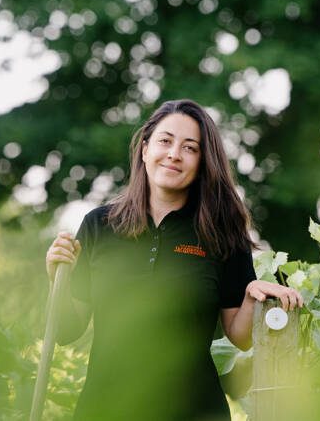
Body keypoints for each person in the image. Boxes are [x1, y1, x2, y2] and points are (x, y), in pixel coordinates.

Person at [45, 99, 303, 421]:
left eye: (190, 148)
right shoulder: (100, 225)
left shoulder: (222, 233)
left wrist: (251, 297)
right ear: (145, 149)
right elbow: (66, 330)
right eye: (165, 141)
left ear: (202, 162)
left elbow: (240, 338)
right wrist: (58, 277)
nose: (174, 154)